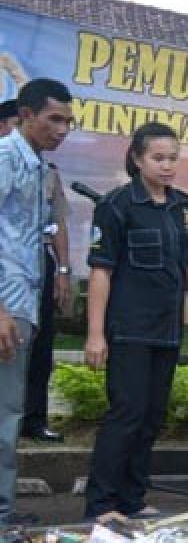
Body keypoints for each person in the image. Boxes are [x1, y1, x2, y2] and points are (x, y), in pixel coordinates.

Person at [84, 121, 188, 519]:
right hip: (127, 329)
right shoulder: (117, 205)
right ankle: (101, 503)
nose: (167, 165)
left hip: (167, 330)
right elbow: (101, 271)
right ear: (137, 159)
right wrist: (95, 334)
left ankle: (132, 501)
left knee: (152, 417)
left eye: (173, 158)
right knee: (126, 413)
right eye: (158, 158)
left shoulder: (184, 207)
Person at [0, 79, 72, 524]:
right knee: (5, 412)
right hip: (6, 304)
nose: (62, 130)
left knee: (10, 410)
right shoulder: (6, 158)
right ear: (26, 116)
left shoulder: (39, 168)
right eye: (54, 120)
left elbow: (43, 230)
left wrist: (60, 273)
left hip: (23, 300)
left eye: (68, 121)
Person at [22, 159, 72, 442]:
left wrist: (63, 271)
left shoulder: (48, 170)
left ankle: (34, 420)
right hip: (8, 261)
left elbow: (57, 222)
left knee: (40, 348)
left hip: (40, 259)